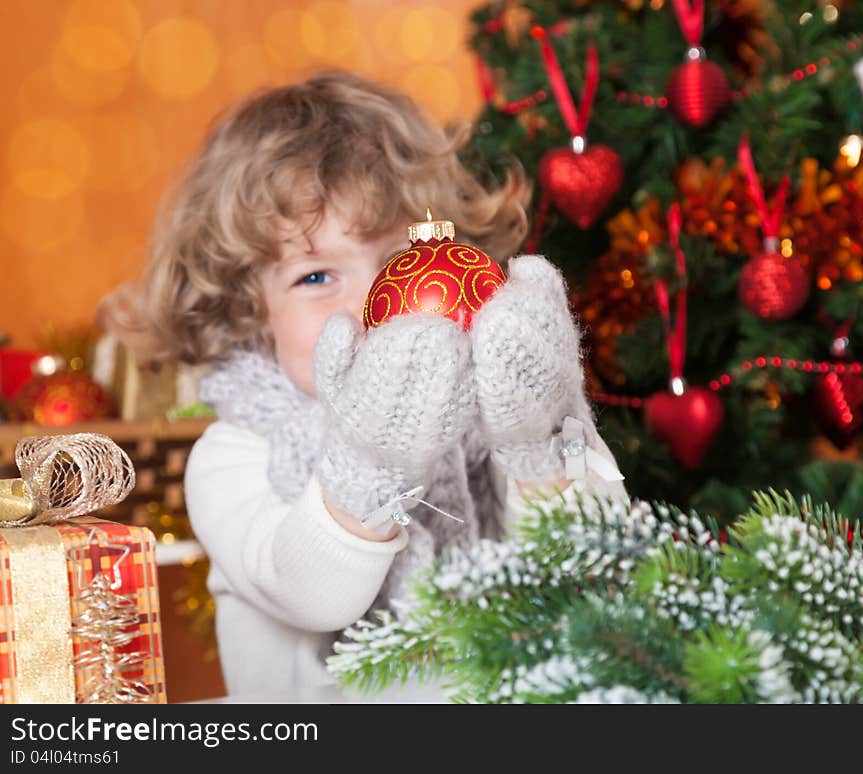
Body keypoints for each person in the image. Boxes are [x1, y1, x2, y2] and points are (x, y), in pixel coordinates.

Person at [100, 71, 627, 699]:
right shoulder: (235, 454)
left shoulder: (490, 421)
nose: (371, 302)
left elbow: (595, 571)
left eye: (398, 263)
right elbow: (309, 594)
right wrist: (373, 464)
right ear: (247, 313)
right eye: (316, 277)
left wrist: (538, 439)